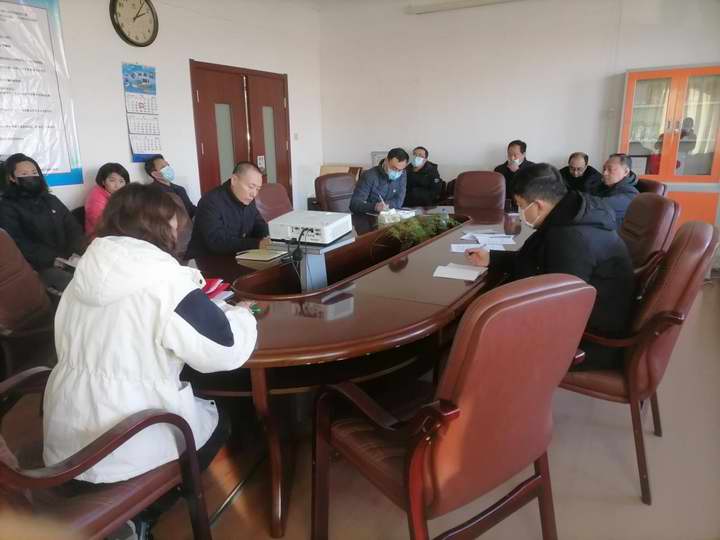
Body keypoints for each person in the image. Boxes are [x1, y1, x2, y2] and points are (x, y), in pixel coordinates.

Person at [43, 183, 258, 485]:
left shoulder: (83, 273)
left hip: (64, 442)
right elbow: (225, 349)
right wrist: (243, 315)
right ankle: (158, 503)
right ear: (162, 225)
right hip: (126, 448)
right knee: (220, 417)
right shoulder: (165, 281)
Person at [465, 163, 634, 371]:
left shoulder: (570, 239)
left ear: (538, 205)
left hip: (585, 343)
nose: (520, 213)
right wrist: (493, 258)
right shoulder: (570, 214)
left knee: (478, 331)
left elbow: (559, 310)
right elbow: (535, 259)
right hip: (579, 323)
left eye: (520, 206)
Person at [0, 153, 86, 291]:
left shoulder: (51, 199)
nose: (31, 176)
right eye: (24, 174)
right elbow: (17, 243)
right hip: (39, 266)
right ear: (12, 177)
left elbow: (73, 227)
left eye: (34, 172)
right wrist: (52, 259)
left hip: (68, 259)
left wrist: (76, 251)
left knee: (95, 275)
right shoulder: (7, 207)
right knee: (78, 287)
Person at [186, 161, 271, 259]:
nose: (254, 194)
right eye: (251, 187)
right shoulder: (211, 202)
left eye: (258, 189)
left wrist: (268, 238)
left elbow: (259, 225)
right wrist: (257, 244)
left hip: (239, 257)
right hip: (206, 260)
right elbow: (217, 241)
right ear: (234, 180)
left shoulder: (250, 200)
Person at [349, 147, 408, 213]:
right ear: (386, 161)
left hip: (390, 215)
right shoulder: (369, 176)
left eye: (399, 170)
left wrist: (386, 206)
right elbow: (354, 204)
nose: (396, 172)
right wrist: (375, 207)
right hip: (370, 215)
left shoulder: (402, 174)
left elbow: (399, 201)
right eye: (394, 168)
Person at [591, 153, 639, 227]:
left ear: (626, 172)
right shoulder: (603, 186)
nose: (604, 173)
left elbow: (595, 209)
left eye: (610, 169)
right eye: (604, 169)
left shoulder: (630, 194)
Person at [145, 154, 196, 218]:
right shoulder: (149, 192)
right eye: (163, 167)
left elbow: (190, 209)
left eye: (168, 165)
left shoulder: (180, 189)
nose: (168, 168)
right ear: (155, 174)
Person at [84, 162, 129, 235]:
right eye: (112, 180)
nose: (117, 185)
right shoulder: (95, 199)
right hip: (100, 237)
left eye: (121, 181)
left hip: (118, 234)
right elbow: (101, 225)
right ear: (103, 182)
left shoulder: (121, 194)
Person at [494, 139, 535, 210]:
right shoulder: (499, 169)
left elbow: (532, 189)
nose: (512, 158)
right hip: (503, 207)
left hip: (525, 208)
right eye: (509, 155)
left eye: (515, 155)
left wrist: (517, 171)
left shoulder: (533, 168)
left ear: (524, 154)